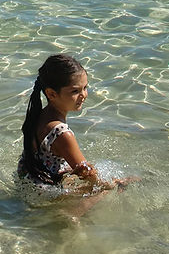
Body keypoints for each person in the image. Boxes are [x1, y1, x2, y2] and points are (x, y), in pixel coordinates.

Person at [16, 54, 132, 206]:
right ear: (51, 94)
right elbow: (87, 174)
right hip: (45, 193)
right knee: (111, 187)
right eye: (75, 91)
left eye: (85, 88)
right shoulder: (62, 133)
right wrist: (110, 184)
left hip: (28, 177)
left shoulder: (38, 114)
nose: (83, 95)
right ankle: (72, 216)